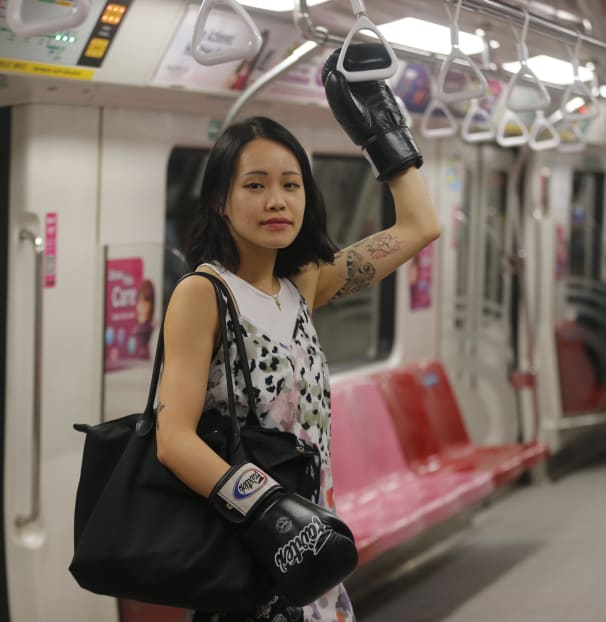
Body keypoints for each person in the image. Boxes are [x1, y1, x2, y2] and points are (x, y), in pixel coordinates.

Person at [155, 43, 440, 622]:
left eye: (291, 185)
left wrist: (383, 135)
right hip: (249, 548)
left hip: (313, 550)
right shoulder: (203, 294)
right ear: (221, 200)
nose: (276, 201)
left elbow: (420, 225)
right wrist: (271, 513)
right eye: (255, 185)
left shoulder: (303, 284)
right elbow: (173, 438)